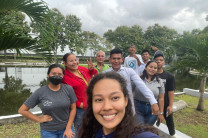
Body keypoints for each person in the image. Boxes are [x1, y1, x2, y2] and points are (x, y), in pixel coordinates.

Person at [78, 72, 160, 138]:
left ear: (126, 100)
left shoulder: (142, 136)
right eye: (99, 100)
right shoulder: (88, 133)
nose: (107, 107)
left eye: (115, 98)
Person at [18, 64, 77, 138]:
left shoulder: (68, 89)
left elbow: (73, 108)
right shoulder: (40, 92)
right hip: (48, 131)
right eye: (54, 73)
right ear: (48, 75)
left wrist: (68, 128)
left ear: (63, 76)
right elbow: (22, 110)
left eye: (59, 74)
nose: (56, 76)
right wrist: (39, 119)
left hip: (66, 128)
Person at [104, 48, 159, 115]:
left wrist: (153, 101)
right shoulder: (105, 74)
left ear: (122, 59)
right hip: (111, 107)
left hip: (127, 107)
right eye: (114, 58)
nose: (116, 61)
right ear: (110, 59)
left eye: (118, 59)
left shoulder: (129, 71)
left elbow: (142, 86)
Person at [62, 53, 98, 133]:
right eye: (71, 61)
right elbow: (66, 95)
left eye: (75, 60)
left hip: (92, 104)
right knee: (82, 130)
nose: (74, 62)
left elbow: (95, 75)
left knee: (94, 128)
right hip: (80, 109)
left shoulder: (81, 69)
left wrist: (92, 70)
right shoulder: (65, 77)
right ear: (65, 63)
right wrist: (79, 104)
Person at [154, 51, 177, 137]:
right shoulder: (151, 74)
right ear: (154, 61)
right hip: (154, 103)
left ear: (164, 62)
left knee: (169, 120)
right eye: (156, 60)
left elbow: (171, 92)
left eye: (161, 60)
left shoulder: (169, 76)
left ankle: (173, 134)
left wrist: (170, 105)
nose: (159, 62)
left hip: (166, 102)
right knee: (153, 120)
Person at [134, 61, 165, 125]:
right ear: (145, 67)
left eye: (155, 68)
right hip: (138, 108)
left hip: (153, 110)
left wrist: (161, 113)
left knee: (148, 129)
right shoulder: (137, 79)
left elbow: (161, 98)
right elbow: (130, 92)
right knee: (139, 128)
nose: (153, 69)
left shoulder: (160, 81)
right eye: (151, 67)